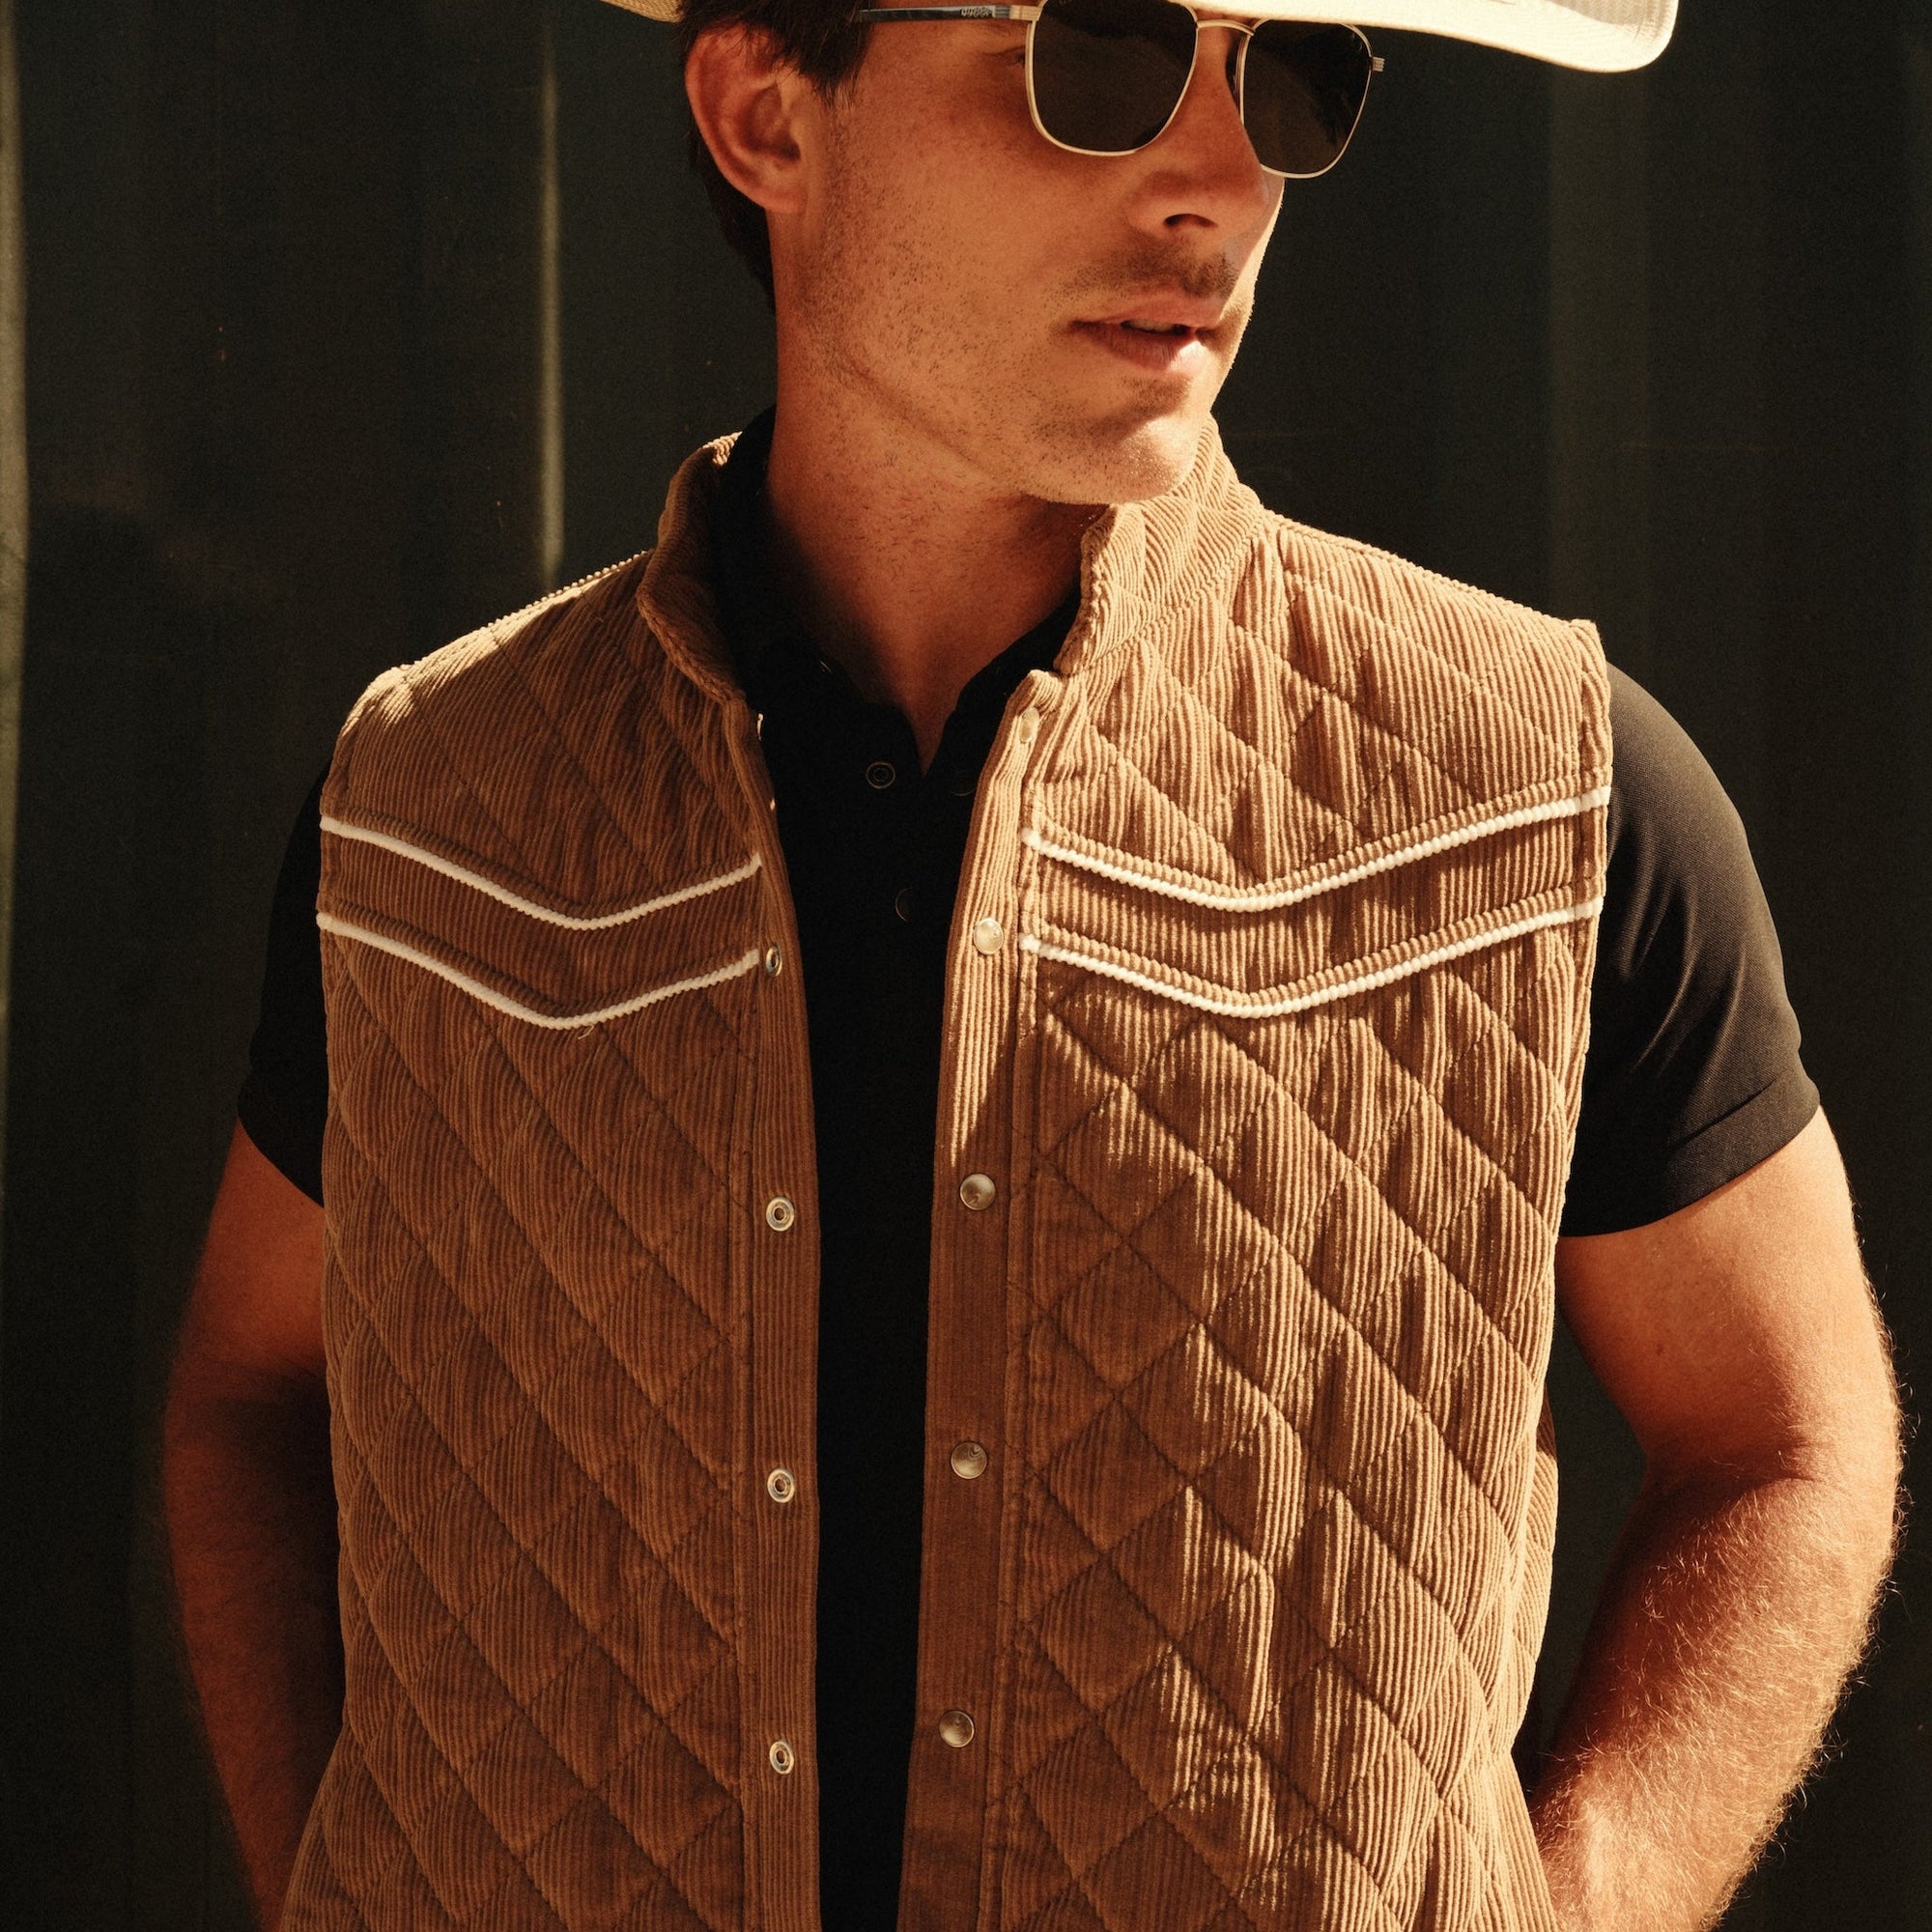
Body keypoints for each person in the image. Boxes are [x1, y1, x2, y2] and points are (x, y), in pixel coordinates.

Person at [162, 0, 1901, 1927]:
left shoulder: (1546, 793)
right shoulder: (429, 804)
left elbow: (1783, 1435)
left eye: (1293, 70)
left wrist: (1573, 1902)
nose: (1223, 175)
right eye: (1103, 55)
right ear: (766, 114)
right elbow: (249, 1396)